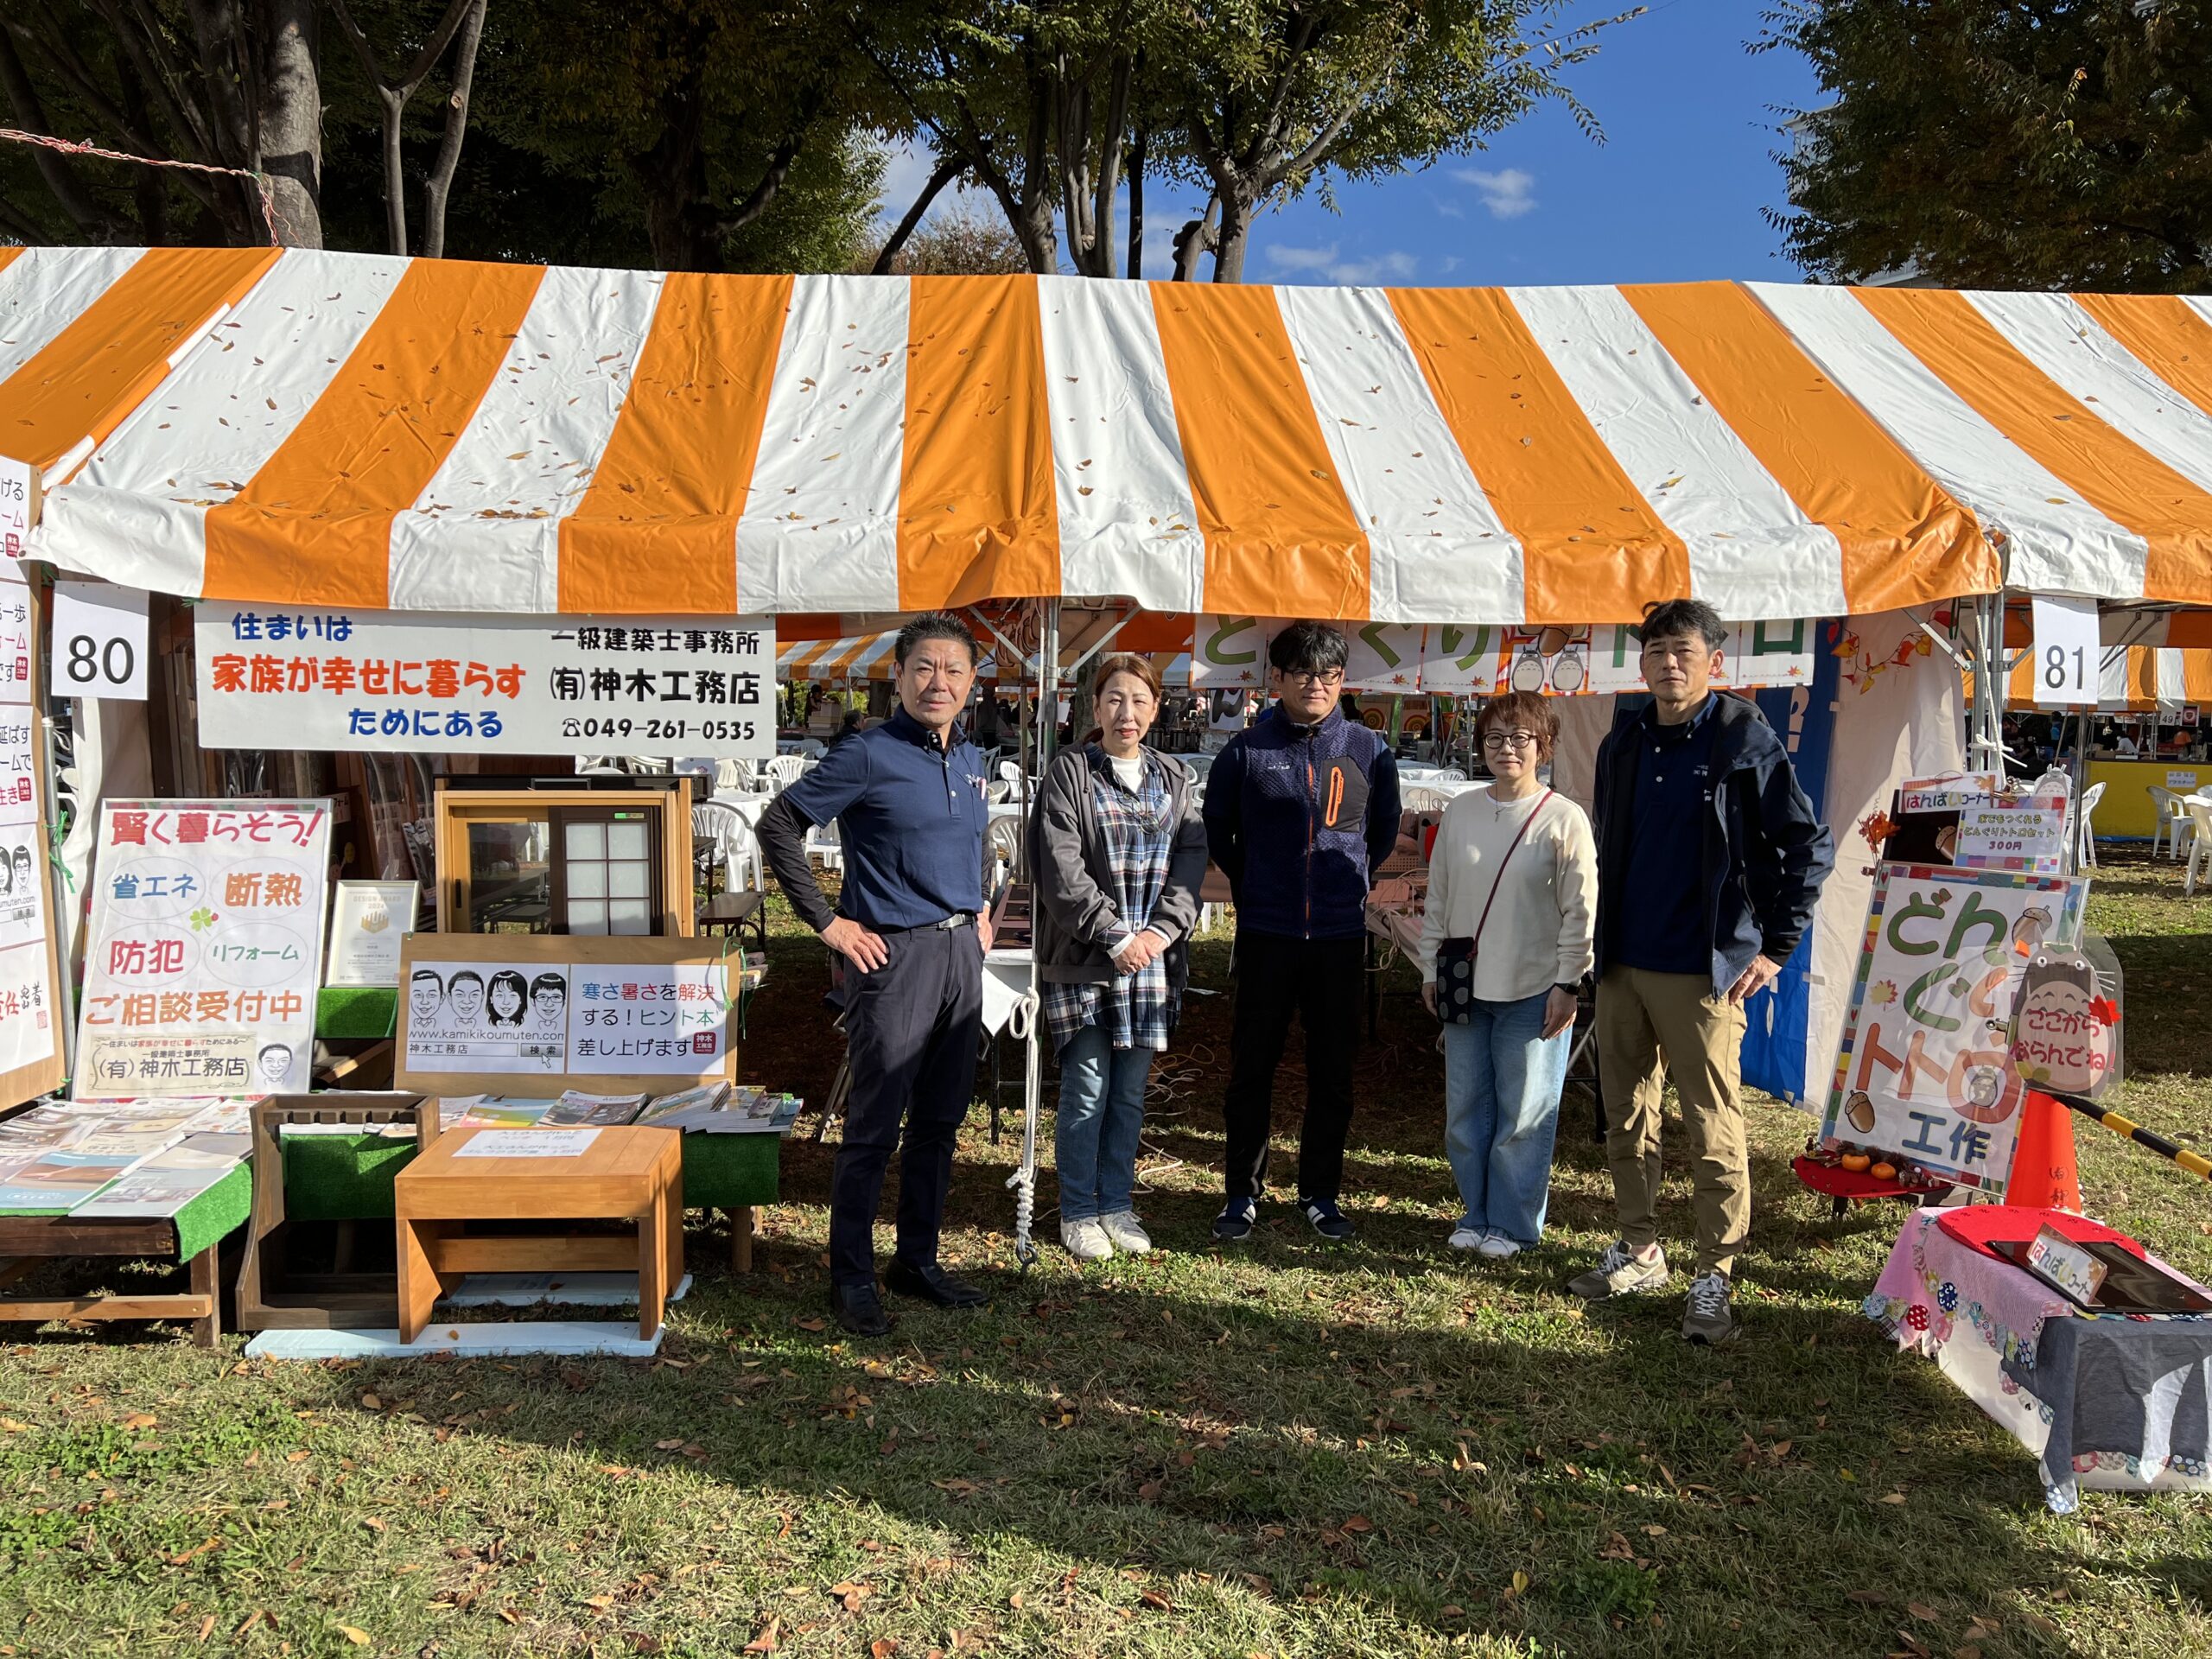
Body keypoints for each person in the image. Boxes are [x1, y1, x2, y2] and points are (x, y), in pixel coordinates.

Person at [1568, 599, 1834, 1344]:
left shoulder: (1742, 737)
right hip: (1622, 959)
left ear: (1713, 661)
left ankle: (1715, 1274)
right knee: (1626, 1116)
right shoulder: (1623, 740)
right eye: (1656, 650)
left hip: (1703, 970)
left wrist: (1775, 949)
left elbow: (1808, 846)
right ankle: (1640, 1246)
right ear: (1642, 662)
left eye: (1684, 650)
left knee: (1711, 1124)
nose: (1669, 663)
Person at [756, 613, 993, 1337]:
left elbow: (976, 843)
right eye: (924, 667)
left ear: (972, 683)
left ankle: (914, 1260)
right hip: (891, 958)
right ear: (899, 675)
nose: (938, 682)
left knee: (940, 1124)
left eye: (953, 670)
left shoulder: (974, 760)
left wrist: (979, 909)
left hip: (961, 956)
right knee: (873, 1128)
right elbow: (777, 823)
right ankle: (850, 1274)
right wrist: (828, 922)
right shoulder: (867, 753)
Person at [1203, 620, 1400, 1243]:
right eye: (1303, 673)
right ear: (1278, 678)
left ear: (1343, 681)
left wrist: (1346, 887)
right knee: (1251, 1066)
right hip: (1267, 931)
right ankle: (1242, 1192)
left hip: (1340, 934)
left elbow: (1381, 833)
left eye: (1330, 674)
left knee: (1333, 1070)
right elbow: (1221, 832)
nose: (1316, 684)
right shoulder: (1245, 751)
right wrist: (1259, 883)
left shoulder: (1370, 749)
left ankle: (1321, 1191)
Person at [1029, 653, 1208, 1262]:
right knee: (1085, 1086)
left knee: (1130, 1093)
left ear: (1156, 708)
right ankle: (1078, 1210)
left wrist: (1159, 934)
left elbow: (1190, 866)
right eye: (1113, 699)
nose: (1125, 713)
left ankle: (1116, 1203)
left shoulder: (1176, 779)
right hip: (1086, 957)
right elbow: (1059, 870)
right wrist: (1114, 936)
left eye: (1138, 700)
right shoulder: (1071, 772)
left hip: (1151, 962)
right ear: (1095, 707)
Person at [1418, 690, 1596, 1259]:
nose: (1507, 748)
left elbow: (1581, 910)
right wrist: (1429, 967)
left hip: (1534, 986)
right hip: (1464, 981)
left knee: (1523, 1116)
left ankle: (1514, 1225)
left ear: (1542, 746)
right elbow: (1439, 894)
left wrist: (1569, 982)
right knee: (1465, 1111)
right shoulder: (1463, 810)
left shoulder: (1564, 818)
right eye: (1495, 737)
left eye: (1521, 737)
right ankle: (1475, 1212)